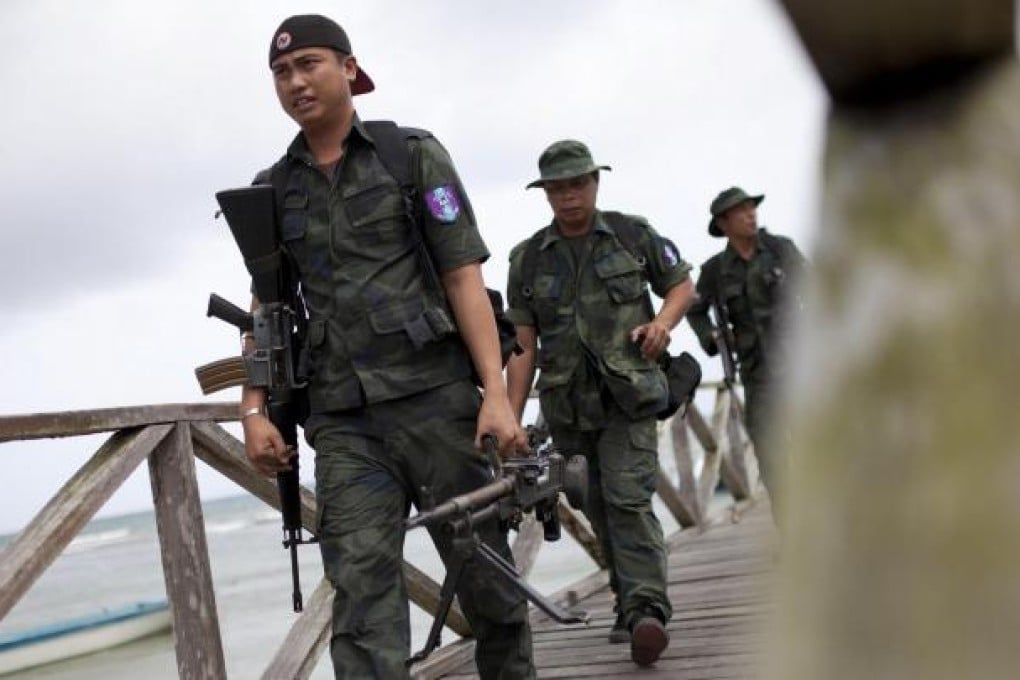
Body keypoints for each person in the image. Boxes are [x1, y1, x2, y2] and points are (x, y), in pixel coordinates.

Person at [236, 15, 535, 679]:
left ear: (348, 68)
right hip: (343, 419)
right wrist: (253, 407)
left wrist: (497, 397)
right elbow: (267, 303)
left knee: (483, 572)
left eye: (309, 63)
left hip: (436, 400)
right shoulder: (272, 186)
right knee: (361, 589)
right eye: (282, 72)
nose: (295, 81)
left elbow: (463, 275)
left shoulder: (411, 156)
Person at [505, 140, 695, 667]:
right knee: (596, 506)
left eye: (578, 184)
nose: (569, 196)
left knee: (629, 499)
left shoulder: (633, 235)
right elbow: (522, 346)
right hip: (567, 408)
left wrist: (662, 323)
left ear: (595, 182)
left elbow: (681, 286)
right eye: (558, 188)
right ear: (545, 194)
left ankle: (647, 612)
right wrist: (511, 415)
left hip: (629, 397)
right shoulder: (525, 260)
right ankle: (626, 597)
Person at [686, 187, 806, 520]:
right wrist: (711, 336)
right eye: (741, 211)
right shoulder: (714, 271)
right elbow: (694, 310)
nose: (751, 215)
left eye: (752, 208)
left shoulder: (781, 250)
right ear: (724, 223)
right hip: (757, 375)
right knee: (771, 457)